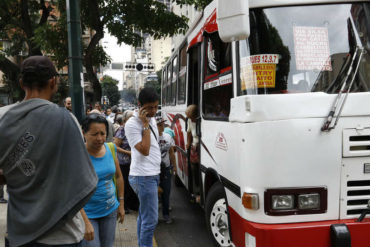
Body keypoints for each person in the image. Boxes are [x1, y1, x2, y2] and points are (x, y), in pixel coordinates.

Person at [0, 55, 98, 247]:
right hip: (63, 235)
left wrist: (15, 173)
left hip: (20, 233)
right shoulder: (67, 121)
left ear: (21, 83)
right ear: (53, 82)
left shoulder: (2, 118)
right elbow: (80, 179)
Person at [81, 113, 125, 247]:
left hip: (110, 210)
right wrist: (85, 222)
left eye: (103, 133)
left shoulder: (110, 148)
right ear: (84, 133)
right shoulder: (78, 154)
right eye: (94, 134)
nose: (100, 138)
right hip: (88, 214)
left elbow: (118, 176)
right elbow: (70, 191)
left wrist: (121, 204)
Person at [125, 87, 161, 247]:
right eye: (149, 107)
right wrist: (145, 124)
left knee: (144, 216)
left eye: (156, 106)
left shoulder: (151, 119)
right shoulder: (133, 124)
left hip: (152, 174)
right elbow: (145, 150)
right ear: (140, 105)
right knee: (150, 220)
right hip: (143, 176)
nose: (153, 111)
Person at [114, 110, 139, 214]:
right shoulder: (121, 130)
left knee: (132, 184)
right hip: (123, 162)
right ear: (125, 120)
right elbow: (115, 146)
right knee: (124, 183)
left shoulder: (135, 129)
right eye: (130, 118)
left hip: (134, 162)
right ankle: (124, 206)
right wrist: (128, 153)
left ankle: (133, 204)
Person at [156, 117, 176, 224]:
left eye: (163, 124)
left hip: (167, 168)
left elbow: (171, 153)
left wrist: (175, 167)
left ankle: (166, 215)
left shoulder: (168, 137)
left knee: (166, 192)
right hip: (154, 169)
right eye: (159, 124)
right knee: (154, 193)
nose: (162, 126)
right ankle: (154, 216)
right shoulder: (151, 137)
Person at [185, 104, 201, 203]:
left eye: (190, 117)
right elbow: (189, 132)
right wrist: (188, 143)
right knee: (194, 170)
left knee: (199, 170)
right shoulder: (190, 121)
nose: (188, 118)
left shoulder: (200, 120)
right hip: (194, 148)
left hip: (201, 148)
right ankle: (197, 193)